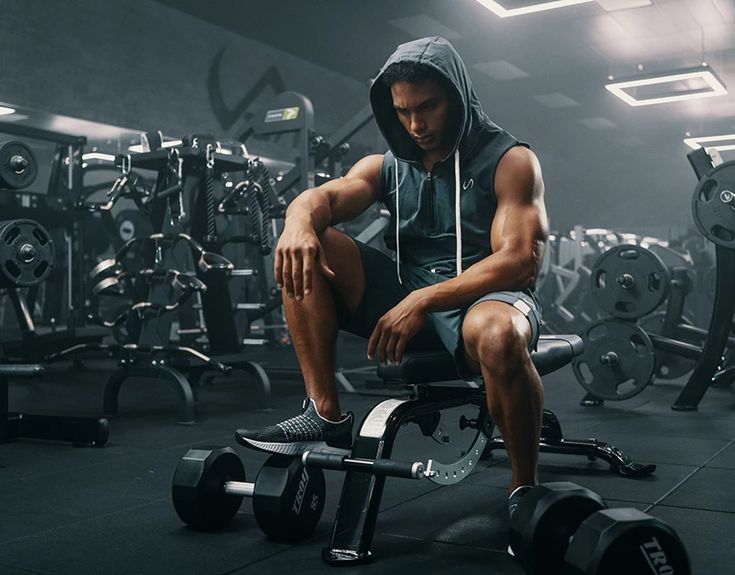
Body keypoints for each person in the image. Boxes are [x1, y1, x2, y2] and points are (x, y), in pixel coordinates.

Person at [236, 36, 549, 516]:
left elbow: (520, 259)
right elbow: (323, 197)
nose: (416, 124)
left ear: (459, 98)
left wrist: (423, 300)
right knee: (309, 243)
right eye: (403, 111)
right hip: (408, 295)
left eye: (429, 107)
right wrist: (297, 223)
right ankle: (325, 413)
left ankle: (523, 488)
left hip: (487, 297)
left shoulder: (510, 160)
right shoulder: (385, 166)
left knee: (499, 334)